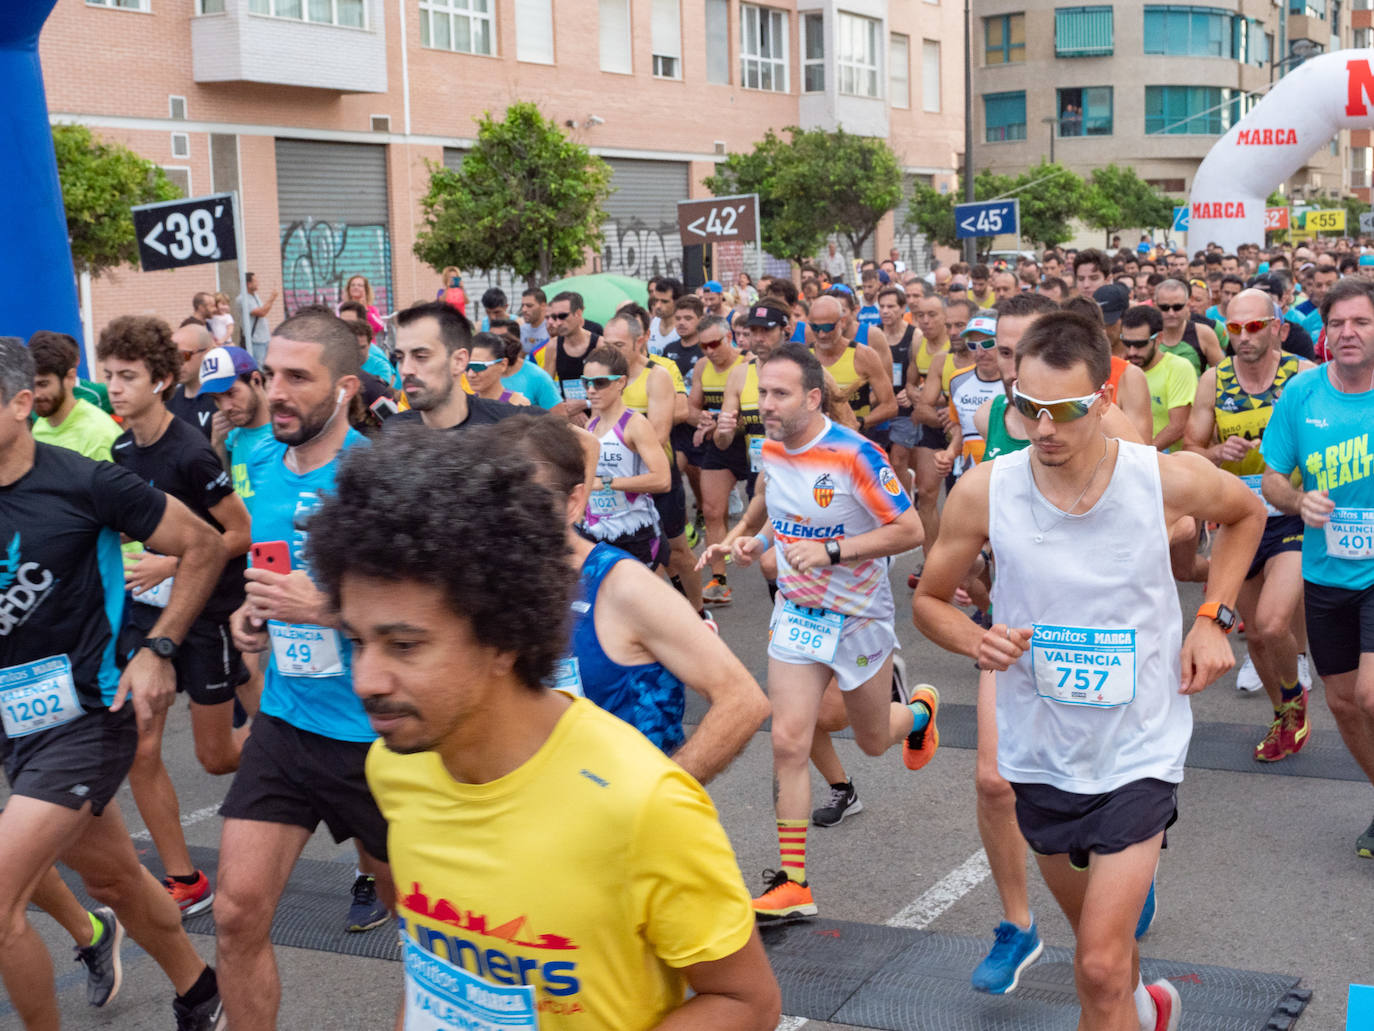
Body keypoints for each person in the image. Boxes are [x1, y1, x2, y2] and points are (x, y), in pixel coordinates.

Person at [299, 426, 781, 1030]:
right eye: (356, 641)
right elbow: (432, 971)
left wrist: (640, 812)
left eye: (403, 645)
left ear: (501, 637)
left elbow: (746, 1002)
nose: (365, 678)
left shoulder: (643, 806)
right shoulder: (394, 766)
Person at [913, 309, 1266, 1031]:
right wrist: (970, 638)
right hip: (1039, 747)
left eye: (1065, 410)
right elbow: (927, 599)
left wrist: (1212, 618)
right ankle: (1143, 1011)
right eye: (1028, 407)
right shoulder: (986, 488)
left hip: (1140, 744)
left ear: (1103, 399)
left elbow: (1248, 513)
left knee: (1097, 967)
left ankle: (1122, 1000)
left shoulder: (1156, 478)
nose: (1043, 428)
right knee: (1100, 958)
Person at [0, 336, 231, 1031]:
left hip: (87, 717)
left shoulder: (85, 480)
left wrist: (160, 647)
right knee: (113, 881)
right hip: (16, 726)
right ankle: (202, 992)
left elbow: (205, 542)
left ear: (18, 404)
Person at [217, 309, 394, 1030]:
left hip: (379, 736)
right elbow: (272, 567)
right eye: (271, 374)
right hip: (286, 723)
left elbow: (433, 614)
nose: (278, 391)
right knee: (234, 914)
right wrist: (252, 613)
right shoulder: (258, 460)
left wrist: (328, 608)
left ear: (346, 387)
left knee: (428, 928)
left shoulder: (377, 478)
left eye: (298, 377)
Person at [742, 344, 941, 920]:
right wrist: (748, 538)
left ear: (810, 397)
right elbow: (768, 503)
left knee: (875, 741)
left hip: (858, 619)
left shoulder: (857, 455)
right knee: (787, 740)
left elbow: (908, 531)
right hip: (799, 616)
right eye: (762, 392)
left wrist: (830, 551)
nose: (767, 404)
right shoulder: (774, 447)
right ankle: (794, 884)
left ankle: (921, 711)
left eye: (779, 394)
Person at [501, 413, 769, 778]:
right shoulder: (496, 585)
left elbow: (743, 701)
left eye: (528, 501)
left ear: (574, 502)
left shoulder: (622, 586)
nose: (508, 519)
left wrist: (661, 796)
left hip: (628, 825)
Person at [99, 315, 252, 917]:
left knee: (216, 758)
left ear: (161, 380)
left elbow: (236, 531)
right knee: (141, 744)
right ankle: (184, 879)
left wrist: (169, 565)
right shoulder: (117, 449)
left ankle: (289, 742)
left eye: (128, 376)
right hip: (147, 618)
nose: (114, 386)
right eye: (108, 375)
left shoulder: (190, 451)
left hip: (209, 609)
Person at [1261, 277, 1374, 855]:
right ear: (1324, 332)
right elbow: (1274, 476)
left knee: (1373, 695)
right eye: (1337, 324)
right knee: (1343, 702)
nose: (1348, 333)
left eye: (1361, 322)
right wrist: (1297, 501)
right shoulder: (1303, 394)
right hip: (1327, 570)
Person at [1183, 289, 1314, 762]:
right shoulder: (1213, 381)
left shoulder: (1302, 375)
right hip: (1239, 519)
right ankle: (1285, 713)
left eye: (1255, 327)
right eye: (1234, 328)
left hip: (1292, 516)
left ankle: (1294, 694)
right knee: (1255, 635)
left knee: (1273, 622)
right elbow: (1192, 446)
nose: (1243, 337)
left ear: (1278, 327)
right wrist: (1217, 453)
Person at [601, 308, 707, 618]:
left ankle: (699, 614)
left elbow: (659, 433)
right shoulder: (603, 378)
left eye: (618, 345)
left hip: (658, 477)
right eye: (607, 344)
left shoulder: (656, 374)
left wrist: (619, 437)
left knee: (677, 553)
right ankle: (655, 621)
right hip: (618, 481)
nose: (611, 352)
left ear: (641, 341)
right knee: (633, 556)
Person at [581, 346, 672, 566]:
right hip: (597, 533)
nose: (591, 390)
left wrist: (606, 483)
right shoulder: (591, 425)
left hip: (635, 534)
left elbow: (663, 480)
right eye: (586, 382)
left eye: (600, 382)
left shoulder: (635, 424)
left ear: (620, 382)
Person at [391, 302, 532, 432]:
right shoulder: (396, 431)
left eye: (421, 357)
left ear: (459, 361)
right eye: (400, 358)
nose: (405, 370)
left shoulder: (515, 422)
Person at [692, 316, 748, 604]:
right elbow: (692, 407)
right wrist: (700, 419)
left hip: (753, 441)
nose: (710, 351)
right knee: (712, 510)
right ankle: (719, 579)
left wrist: (720, 424)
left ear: (730, 338)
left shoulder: (747, 365)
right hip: (719, 442)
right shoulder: (702, 367)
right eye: (703, 346)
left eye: (715, 343)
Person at [28, 330, 121, 461]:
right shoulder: (40, 428)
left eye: (43, 384)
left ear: (70, 377)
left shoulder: (99, 434)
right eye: (31, 385)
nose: (36, 394)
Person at [200, 346, 273, 507]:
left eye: (231, 393)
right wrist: (217, 444)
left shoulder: (286, 432)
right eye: (216, 399)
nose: (225, 407)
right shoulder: (232, 435)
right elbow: (226, 494)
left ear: (256, 381)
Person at [1120, 305, 1199, 453]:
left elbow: (1178, 427)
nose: (1132, 351)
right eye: (1127, 343)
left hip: (1167, 462)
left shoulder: (1179, 368)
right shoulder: (1121, 370)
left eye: (1140, 344)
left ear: (1159, 339)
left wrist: (1142, 456)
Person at [538, 290, 602, 418]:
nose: (558, 322)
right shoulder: (553, 346)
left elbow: (612, 390)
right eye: (554, 317)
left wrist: (586, 404)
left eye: (562, 316)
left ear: (578, 314)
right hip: (567, 417)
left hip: (598, 414)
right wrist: (565, 409)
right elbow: (546, 389)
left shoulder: (600, 345)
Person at [489, 316, 561, 409]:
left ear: (516, 341)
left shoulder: (538, 377)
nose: (493, 346)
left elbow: (558, 417)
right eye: (490, 340)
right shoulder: (481, 373)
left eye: (501, 340)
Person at [1154, 279, 1223, 375]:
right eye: (1164, 308)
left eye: (1177, 307)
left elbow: (1224, 375)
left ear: (1187, 305)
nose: (1171, 313)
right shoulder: (1147, 334)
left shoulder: (1203, 334)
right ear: (1155, 306)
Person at [167, 324, 220, 439]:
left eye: (184, 356)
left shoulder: (222, 400)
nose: (177, 363)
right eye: (172, 356)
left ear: (207, 353)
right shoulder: (168, 401)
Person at [339, 299, 401, 390]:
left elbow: (391, 382)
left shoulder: (374, 353)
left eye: (350, 324)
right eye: (341, 323)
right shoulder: (337, 351)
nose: (344, 327)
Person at [465, 331, 530, 405]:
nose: (471, 374)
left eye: (478, 366)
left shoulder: (518, 405)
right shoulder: (465, 406)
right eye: (467, 366)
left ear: (503, 365)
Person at [237, 272, 277, 364]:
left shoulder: (255, 296)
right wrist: (272, 298)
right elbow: (261, 312)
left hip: (265, 338)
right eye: (255, 281)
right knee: (259, 368)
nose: (258, 283)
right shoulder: (242, 299)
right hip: (255, 340)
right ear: (248, 284)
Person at [647, 276, 684, 354]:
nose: (658, 306)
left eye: (664, 301)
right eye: (656, 300)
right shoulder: (652, 324)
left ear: (677, 301)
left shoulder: (684, 329)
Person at [518, 286, 550, 355]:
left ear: (543, 306)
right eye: (522, 306)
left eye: (529, 306)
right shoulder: (521, 330)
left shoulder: (552, 329)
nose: (524, 310)